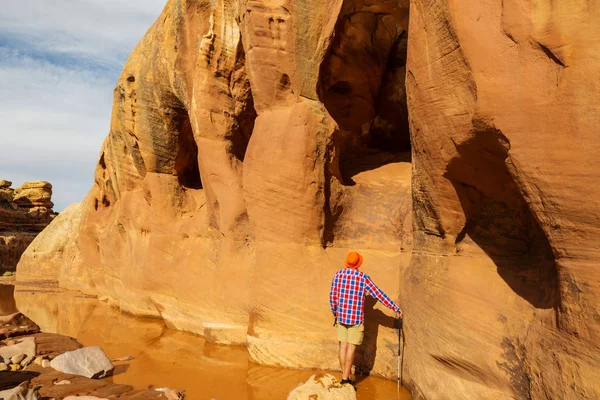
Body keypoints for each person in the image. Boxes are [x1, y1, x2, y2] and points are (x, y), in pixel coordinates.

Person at [329, 251, 403, 389]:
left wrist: (335, 313)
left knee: (342, 347)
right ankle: (346, 379)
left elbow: (332, 297)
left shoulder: (338, 275)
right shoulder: (363, 278)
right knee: (351, 348)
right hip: (355, 319)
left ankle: (345, 375)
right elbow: (379, 294)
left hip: (341, 317)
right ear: (358, 264)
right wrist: (395, 307)